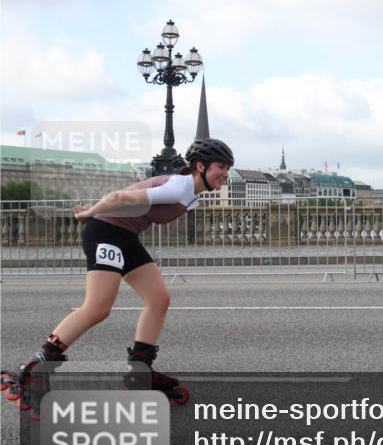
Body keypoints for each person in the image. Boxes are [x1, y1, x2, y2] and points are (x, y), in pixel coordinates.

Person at [2, 138, 234, 408]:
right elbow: (119, 197)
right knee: (97, 308)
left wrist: (94, 210)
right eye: (221, 167)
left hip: (125, 235)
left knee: (159, 299)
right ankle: (36, 368)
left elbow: (130, 200)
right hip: (106, 233)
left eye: (228, 168)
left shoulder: (191, 196)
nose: (226, 173)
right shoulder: (178, 186)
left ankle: (139, 372)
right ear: (201, 166)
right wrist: (90, 213)